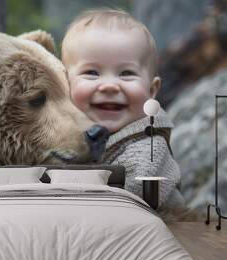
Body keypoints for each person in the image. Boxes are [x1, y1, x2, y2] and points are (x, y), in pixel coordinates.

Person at [61, 8, 186, 213]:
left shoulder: (148, 147)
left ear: (152, 90)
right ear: (64, 83)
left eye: (126, 74)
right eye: (92, 73)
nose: (110, 86)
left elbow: (135, 198)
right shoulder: (66, 136)